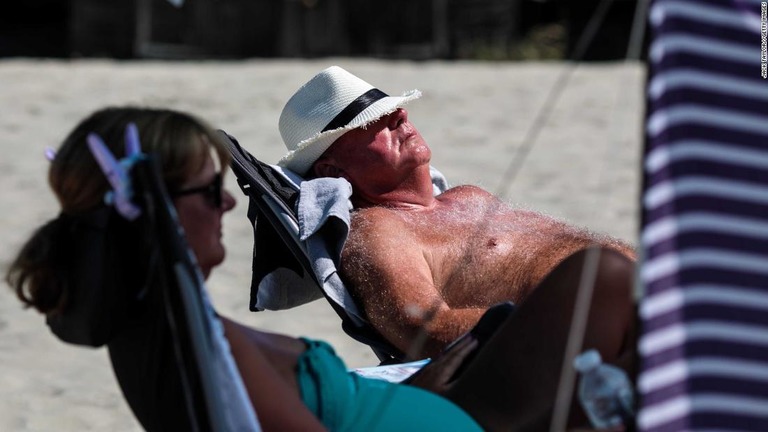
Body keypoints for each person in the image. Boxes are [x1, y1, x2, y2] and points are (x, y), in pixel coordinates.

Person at [6, 106, 632, 431]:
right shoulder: (199, 343)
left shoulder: (173, 329)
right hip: (466, 419)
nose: (227, 202)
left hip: (436, 396)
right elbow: (417, 322)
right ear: (154, 213)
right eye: (206, 191)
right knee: (601, 282)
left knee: (609, 291)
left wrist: (428, 380)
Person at [277, 65, 638, 360]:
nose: (399, 115)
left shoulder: (468, 196)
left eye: (392, 108)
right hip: (603, 337)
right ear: (332, 172)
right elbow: (424, 331)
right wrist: (572, 323)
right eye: (372, 121)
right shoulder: (377, 229)